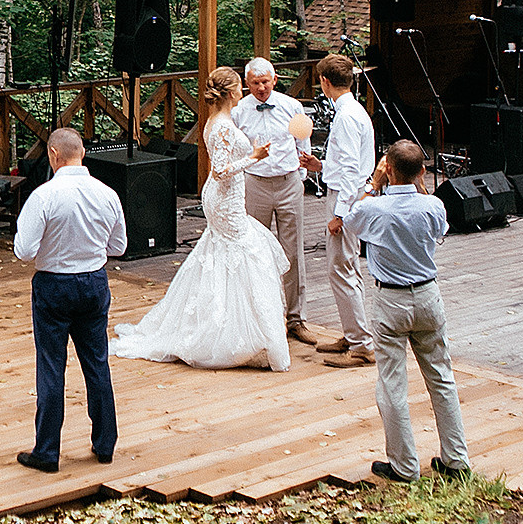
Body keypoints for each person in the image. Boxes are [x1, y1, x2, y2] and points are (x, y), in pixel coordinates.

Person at [114, 65, 292, 370]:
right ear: (230, 92)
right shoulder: (221, 125)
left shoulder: (220, 120)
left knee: (225, 253)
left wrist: (249, 153)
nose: (242, 91)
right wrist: (254, 157)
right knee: (245, 253)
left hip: (227, 197)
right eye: (239, 87)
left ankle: (239, 328)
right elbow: (220, 171)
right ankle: (231, 334)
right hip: (224, 199)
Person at [345, 140, 469, 482]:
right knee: (442, 379)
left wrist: (373, 185)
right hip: (428, 295)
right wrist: (420, 186)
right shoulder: (434, 205)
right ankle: (457, 460)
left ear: (388, 169)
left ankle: (404, 465)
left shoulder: (375, 208)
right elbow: (439, 229)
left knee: (392, 384)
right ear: (422, 171)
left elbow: (350, 220)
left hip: (391, 299)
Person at [14, 128, 127, 473]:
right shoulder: (107, 194)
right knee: (97, 363)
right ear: (83, 154)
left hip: (53, 284)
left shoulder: (44, 196)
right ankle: (105, 444)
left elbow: (24, 251)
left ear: (53, 154)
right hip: (94, 282)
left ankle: (47, 452)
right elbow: (119, 247)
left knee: (51, 366)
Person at [233, 57, 324, 346]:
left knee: (292, 253)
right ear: (247, 84)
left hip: (288, 182)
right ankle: (261, 318)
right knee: (255, 251)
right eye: (255, 83)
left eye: (265, 82)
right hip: (255, 183)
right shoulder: (239, 111)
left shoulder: (292, 106)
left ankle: (296, 319)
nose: (261, 88)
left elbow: (302, 142)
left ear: (274, 79)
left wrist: (300, 177)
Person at [315, 53, 376, 368]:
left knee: (341, 268)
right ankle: (353, 333)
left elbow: (352, 169)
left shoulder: (347, 116)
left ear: (325, 82)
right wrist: (321, 166)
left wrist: (340, 214)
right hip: (345, 193)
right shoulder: (352, 110)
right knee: (347, 266)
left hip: (346, 198)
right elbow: (344, 162)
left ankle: (362, 344)